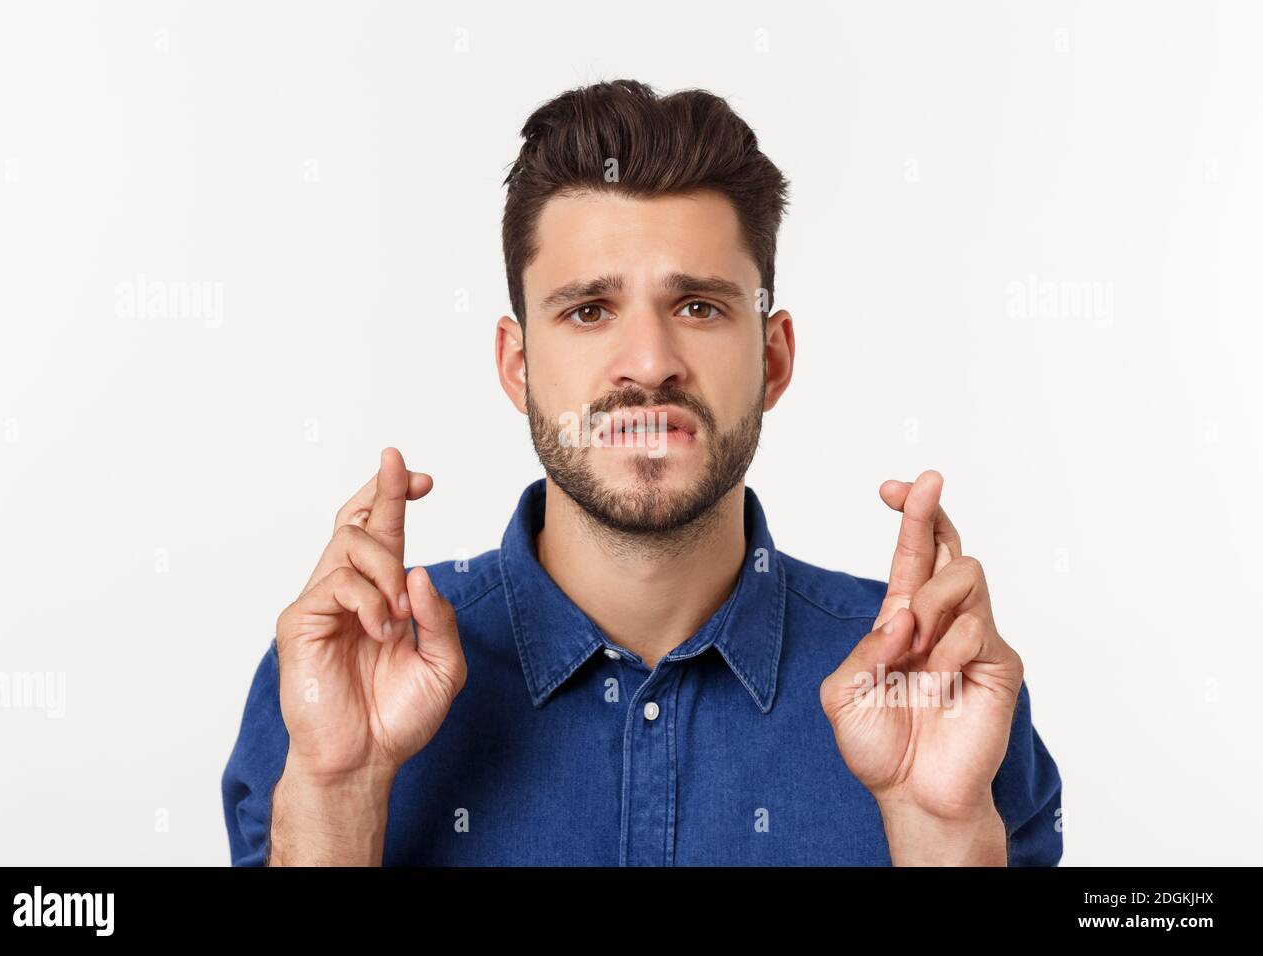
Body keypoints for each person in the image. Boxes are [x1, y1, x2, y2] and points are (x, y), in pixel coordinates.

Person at [221, 79, 1063, 866]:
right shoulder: (342, 676)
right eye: (589, 310)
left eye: (698, 307)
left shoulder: (932, 689)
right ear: (518, 366)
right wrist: (337, 799)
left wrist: (938, 831)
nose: (650, 363)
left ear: (772, 359)